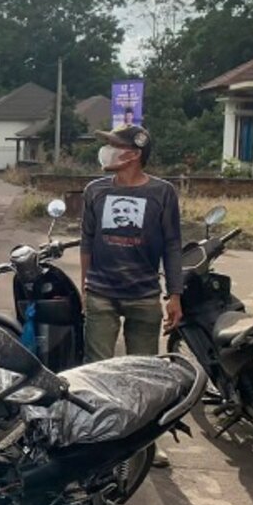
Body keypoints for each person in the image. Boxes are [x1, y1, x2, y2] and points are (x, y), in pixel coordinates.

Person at [80, 125, 183, 468]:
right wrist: (84, 286)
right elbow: (87, 241)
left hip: (144, 295)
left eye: (114, 145)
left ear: (134, 154)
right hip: (101, 293)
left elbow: (172, 245)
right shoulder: (95, 191)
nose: (107, 151)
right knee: (97, 370)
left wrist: (175, 294)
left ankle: (145, 443)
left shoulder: (162, 193)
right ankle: (97, 437)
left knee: (144, 374)